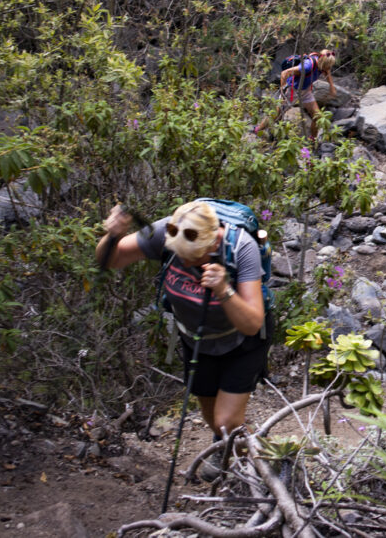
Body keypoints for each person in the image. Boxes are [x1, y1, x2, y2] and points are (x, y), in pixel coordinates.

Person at [95, 200, 273, 471]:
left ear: (214, 243)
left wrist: (224, 290)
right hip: (197, 339)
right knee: (215, 421)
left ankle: (268, 464)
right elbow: (112, 260)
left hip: (243, 340)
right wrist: (114, 234)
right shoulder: (167, 233)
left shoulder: (241, 248)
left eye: (193, 257)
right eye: (180, 256)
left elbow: (252, 322)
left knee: (227, 422)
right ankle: (226, 447)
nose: (186, 262)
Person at [258, 49, 337, 140]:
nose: (329, 69)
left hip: (306, 91)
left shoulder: (323, 66)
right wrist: (283, 91)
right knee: (276, 115)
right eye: (328, 66)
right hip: (291, 91)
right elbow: (285, 73)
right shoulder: (308, 66)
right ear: (323, 63)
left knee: (318, 117)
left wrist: (332, 87)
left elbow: (328, 72)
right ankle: (258, 130)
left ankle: (312, 140)